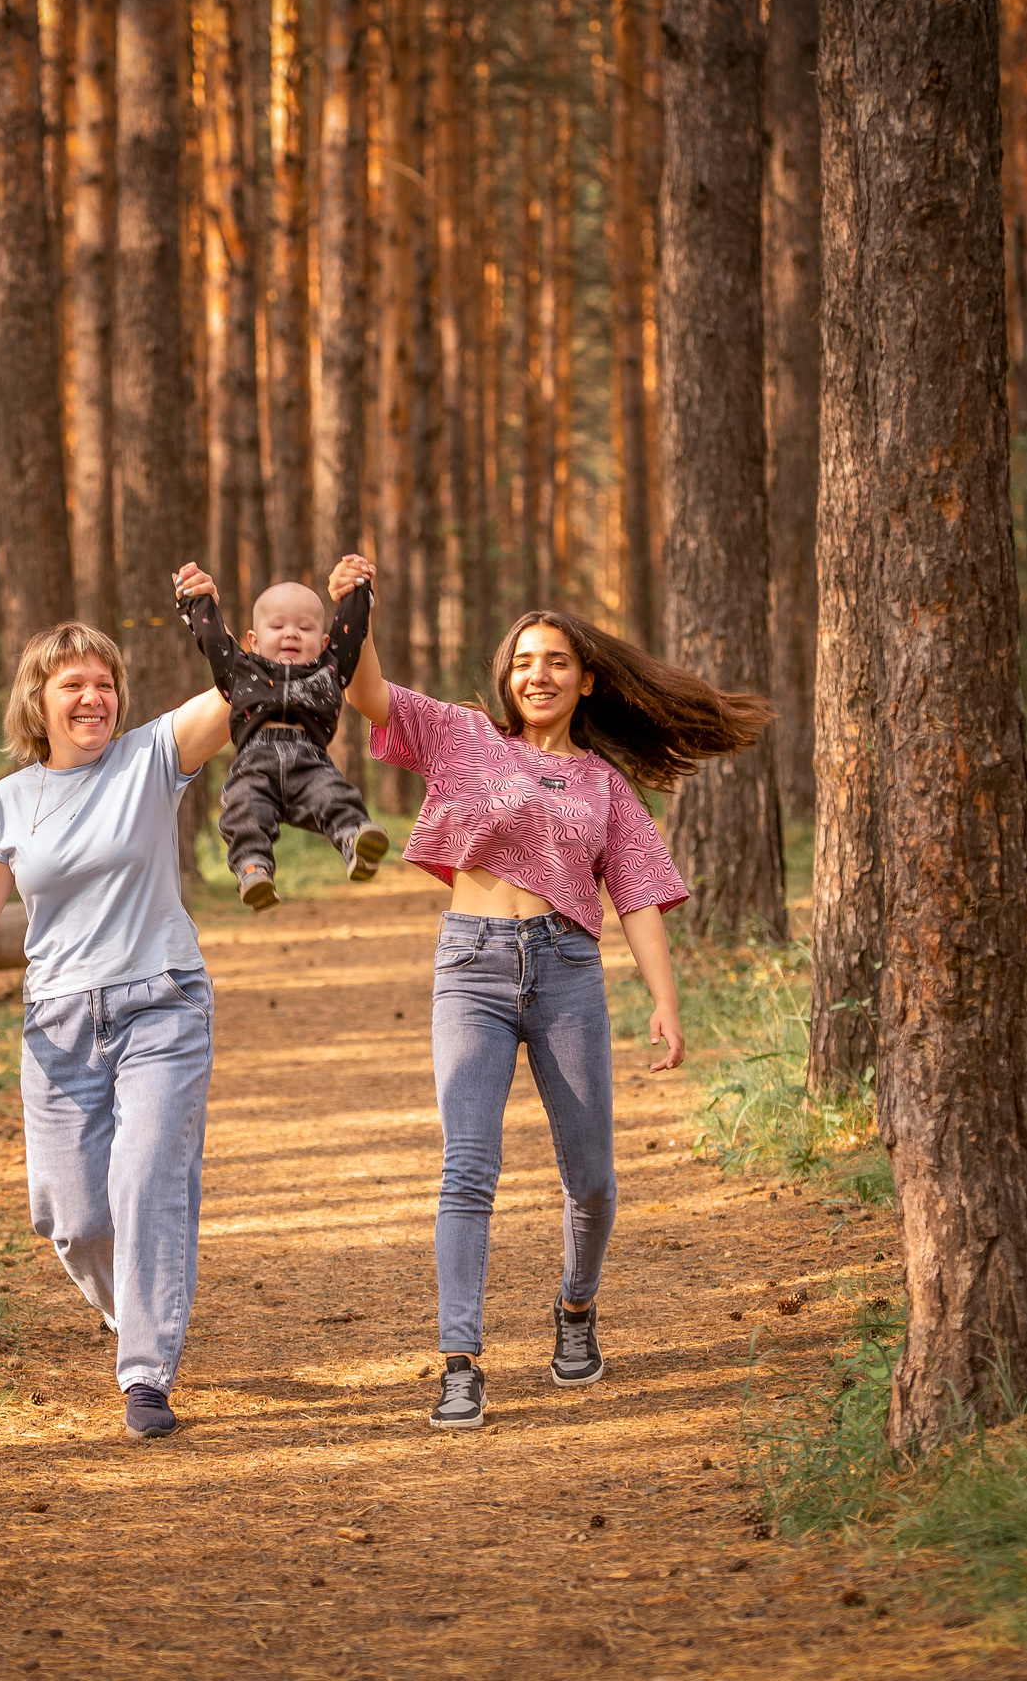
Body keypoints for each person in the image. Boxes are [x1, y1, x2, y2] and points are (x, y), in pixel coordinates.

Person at [327, 552, 773, 1430]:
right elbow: (366, 693)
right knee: (467, 1169)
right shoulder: (461, 735)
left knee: (594, 1181)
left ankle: (575, 1308)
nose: (539, 674)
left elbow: (639, 898)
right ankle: (460, 1363)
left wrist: (666, 1003)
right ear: (506, 677)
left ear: (587, 681)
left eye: (557, 661)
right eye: (525, 661)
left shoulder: (607, 786)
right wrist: (357, 609)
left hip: (567, 974)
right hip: (472, 968)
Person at [0, 589, 234, 1441]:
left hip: (161, 1003)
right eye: (72, 684)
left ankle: (145, 1370)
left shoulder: (151, 757)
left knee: (147, 1184)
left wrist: (221, 622)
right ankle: (131, 1311)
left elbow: (235, 695)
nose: (92, 699)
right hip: (58, 1023)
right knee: (69, 1218)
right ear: (39, 700)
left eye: (104, 683)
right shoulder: (10, 799)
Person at [178, 575, 391, 909]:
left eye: (304, 628)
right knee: (243, 808)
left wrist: (359, 590)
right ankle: (253, 869)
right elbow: (213, 637)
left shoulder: (329, 669)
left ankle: (355, 840)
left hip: (310, 762)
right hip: (254, 761)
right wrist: (195, 597)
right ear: (254, 640)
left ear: (322, 644)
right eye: (277, 626)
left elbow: (351, 633)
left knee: (334, 795)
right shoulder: (241, 669)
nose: (291, 633)